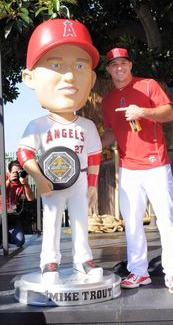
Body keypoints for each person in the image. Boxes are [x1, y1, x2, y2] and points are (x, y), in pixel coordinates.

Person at [17, 19, 103, 283]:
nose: (69, 76)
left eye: (79, 66)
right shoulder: (38, 124)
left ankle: (82, 261)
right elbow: (24, 154)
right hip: (51, 182)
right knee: (52, 220)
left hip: (78, 180)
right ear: (29, 78)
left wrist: (92, 185)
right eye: (56, 65)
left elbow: (94, 156)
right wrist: (40, 179)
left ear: (91, 78)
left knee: (80, 222)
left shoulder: (86, 125)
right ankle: (49, 262)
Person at [101, 48, 173, 294]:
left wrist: (143, 112)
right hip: (128, 169)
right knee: (132, 222)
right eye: (114, 64)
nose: (119, 67)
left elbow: (169, 113)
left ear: (130, 65)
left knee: (167, 218)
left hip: (156, 164)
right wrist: (89, 146)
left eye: (123, 63)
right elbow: (110, 133)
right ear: (108, 69)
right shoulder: (107, 102)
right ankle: (138, 272)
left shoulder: (148, 85)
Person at [0, 159, 34, 247]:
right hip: (1, 215)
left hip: (12, 216)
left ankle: (6, 237)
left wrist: (26, 184)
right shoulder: (3, 179)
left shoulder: (21, 182)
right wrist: (8, 181)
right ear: (9, 172)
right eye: (14, 172)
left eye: (18, 172)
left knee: (20, 241)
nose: (16, 174)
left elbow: (30, 198)